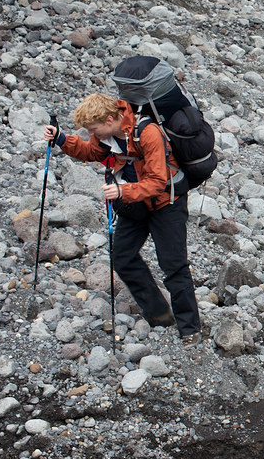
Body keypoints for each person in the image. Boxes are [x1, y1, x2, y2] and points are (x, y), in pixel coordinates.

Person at [43, 93, 203, 347]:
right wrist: (61, 139)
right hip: (135, 204)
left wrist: (121, 191)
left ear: (109, 120)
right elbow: (91, 151)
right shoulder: (106, 134)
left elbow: (157, 181)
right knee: (123, 257)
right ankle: (160, 314)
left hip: (166, 203)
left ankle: (190, 329)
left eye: (93, 129)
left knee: (173, 265)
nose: (92, 134)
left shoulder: (147, 132)